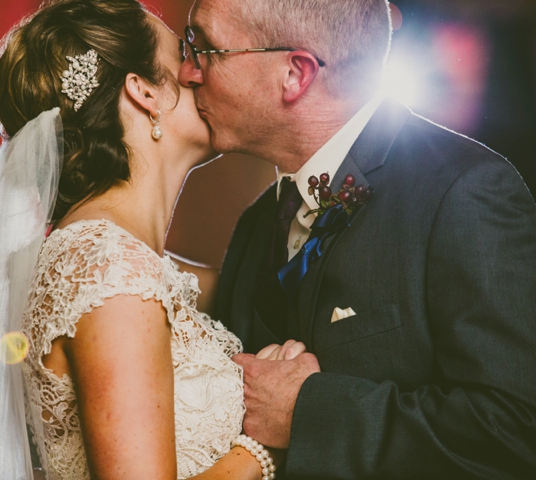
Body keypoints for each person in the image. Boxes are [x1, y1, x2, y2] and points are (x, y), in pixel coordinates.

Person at [178, 0, 536, 478]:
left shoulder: (463, 191)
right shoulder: (256, 222)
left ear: (295, 74)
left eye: (206, 48)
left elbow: (516, 429)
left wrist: (308, 412)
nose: (188, 72)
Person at [0, 1, 292, 479]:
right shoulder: (108, 268)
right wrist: (263, 443)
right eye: (186, 52)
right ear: (143, 91)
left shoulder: (125, 261)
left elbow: (252, 287)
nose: (200, 69)